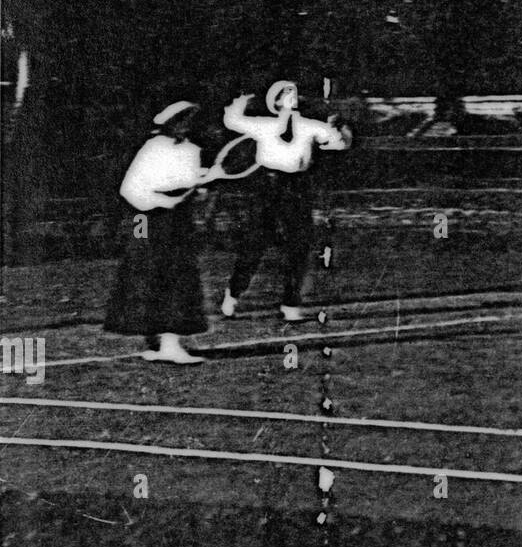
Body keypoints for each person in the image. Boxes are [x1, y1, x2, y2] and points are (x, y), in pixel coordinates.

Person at [219, 80, 351, 322]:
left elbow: (340, 144)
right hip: (268, 188)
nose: (292, 95)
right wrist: (238, 104)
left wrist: (339, 127)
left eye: (294, 92)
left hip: (297, 187)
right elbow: (232, 121)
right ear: (276, 101)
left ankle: (290, 305)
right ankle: (233, 294)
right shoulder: (264, 125)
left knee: (299, 247)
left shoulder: (310, 126)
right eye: (285, 92)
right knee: (254, 244)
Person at [104, 101, 209, 364]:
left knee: (179, 277)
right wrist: (163, 203)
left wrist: (198, 191)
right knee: (149, 274)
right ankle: (159, 343)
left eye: (189, 119)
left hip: (178, 219)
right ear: (170, 122)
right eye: (181, 119)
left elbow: (188, 184)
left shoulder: (192, 150)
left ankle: (168, 344)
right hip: (148, 218)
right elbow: (129, 189)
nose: (186, 124)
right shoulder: (153, 148)